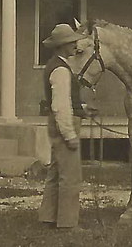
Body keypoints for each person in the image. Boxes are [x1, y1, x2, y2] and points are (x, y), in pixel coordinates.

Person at [37, 23, 88, 231]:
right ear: (62, 46)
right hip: (64, 125)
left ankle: (48, 217)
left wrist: (83, 108)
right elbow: (60, 106)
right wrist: (70, 135)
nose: (75, 45)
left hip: (57, 123)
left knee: (56, 173)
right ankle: (67, 223)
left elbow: (64, 101)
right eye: (71, 42)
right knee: (70, 176)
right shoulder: (60, 69)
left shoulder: (56, 65)